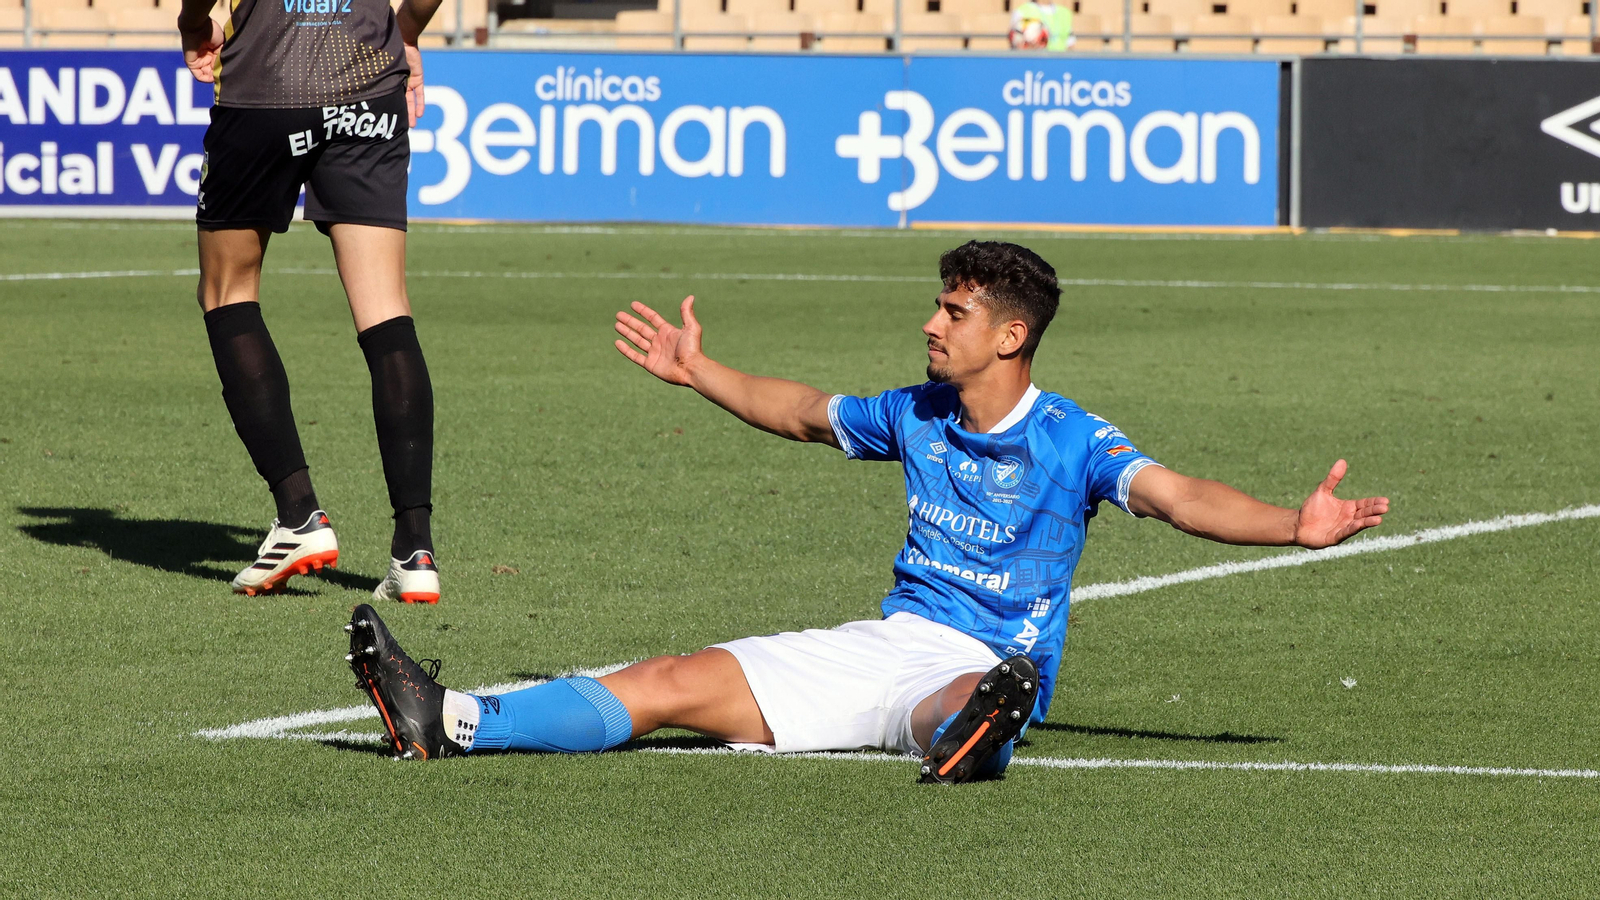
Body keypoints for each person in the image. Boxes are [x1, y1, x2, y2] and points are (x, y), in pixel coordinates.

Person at [344, 241, 1390, 782]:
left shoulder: (1071, 436)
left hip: (975, 663)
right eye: (938, 305)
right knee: (671, 681)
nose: (931, 324)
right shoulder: (916, 413)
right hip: (882, 642)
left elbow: (1175, 496)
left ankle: (980, 731)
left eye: (955, 312)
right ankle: (455, 720)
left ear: (1012, 335)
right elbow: (800, 414)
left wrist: (1286, 526)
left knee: (969, 696)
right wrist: (698, 373)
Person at [177, 0, 445, 602]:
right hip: (367, 86)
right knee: (385, 308)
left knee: (226, 292)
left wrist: (194, 24)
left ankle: (299, 515)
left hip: (265, 88)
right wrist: (403, 33)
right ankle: (415, 548)